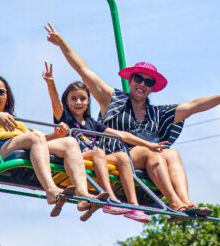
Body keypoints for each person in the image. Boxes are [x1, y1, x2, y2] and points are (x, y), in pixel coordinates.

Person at [44, 22, 220, 216]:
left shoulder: (157, 113)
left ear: (152, 87)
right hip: (115, 156)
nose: (142, 84)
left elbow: (193, 106)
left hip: (145, 160)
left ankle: (185, 201)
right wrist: (62, 44)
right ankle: (173, 203)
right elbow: (84, 70)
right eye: (138, 79)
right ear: (130, 80)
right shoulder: (113, 100)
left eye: (148, 82)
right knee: (151, 152)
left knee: (171, 153)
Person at [0, 74, 109, 221]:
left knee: (70, 142)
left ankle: (82, 195)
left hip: (20, 144)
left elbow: (39, 143)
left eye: (1, 92)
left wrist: (56, 135)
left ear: (7, 97)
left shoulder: (14, 120)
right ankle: (51, 190)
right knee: (35, 137)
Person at [42, 62, 168, 223]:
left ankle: (134, 206)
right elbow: (55, 104)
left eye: (82, 99)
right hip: (74, 159)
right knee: (98, 152)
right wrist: (51, 83)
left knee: (122, 156)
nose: (78, 102)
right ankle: (111, 200)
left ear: (88, 102)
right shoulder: (65, 118)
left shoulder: (92, 123)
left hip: (94, 159)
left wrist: (148, 145)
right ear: (66, 102)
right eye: (73, 99)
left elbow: (122, 135)